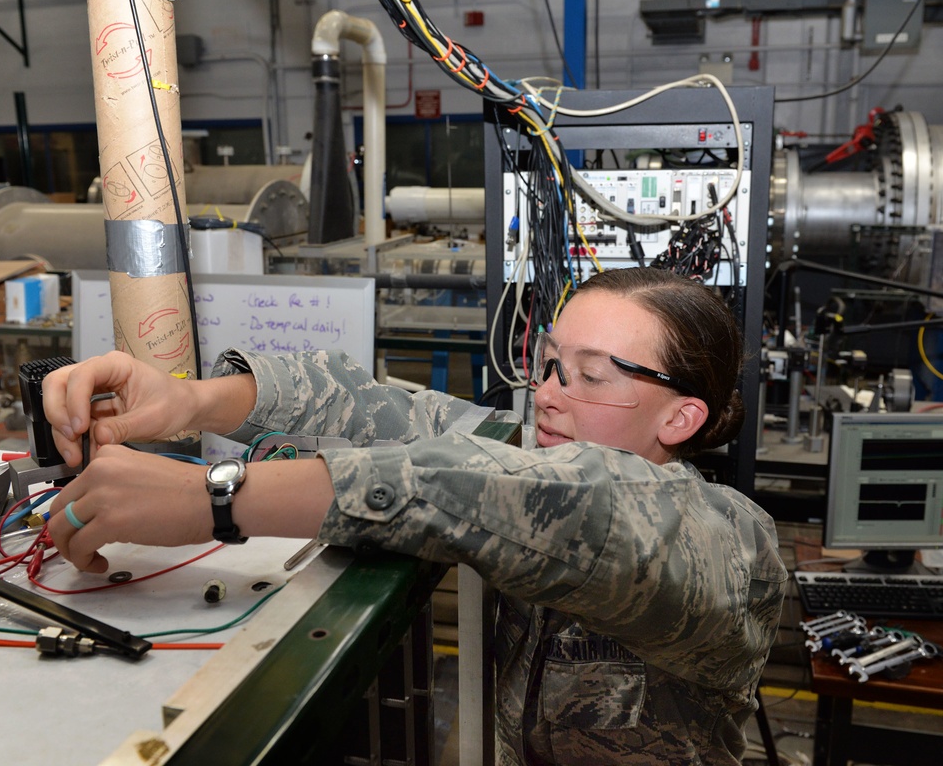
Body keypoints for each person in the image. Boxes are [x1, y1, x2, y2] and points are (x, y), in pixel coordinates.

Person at [43, 266, 787, 765]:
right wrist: (191, 400)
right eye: (551, 363)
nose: (550, 395)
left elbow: (514, 492)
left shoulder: (728, 543)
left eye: (589, 376)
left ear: (682, 418)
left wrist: (214, 497)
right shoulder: (535, 450)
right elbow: (387, 411)